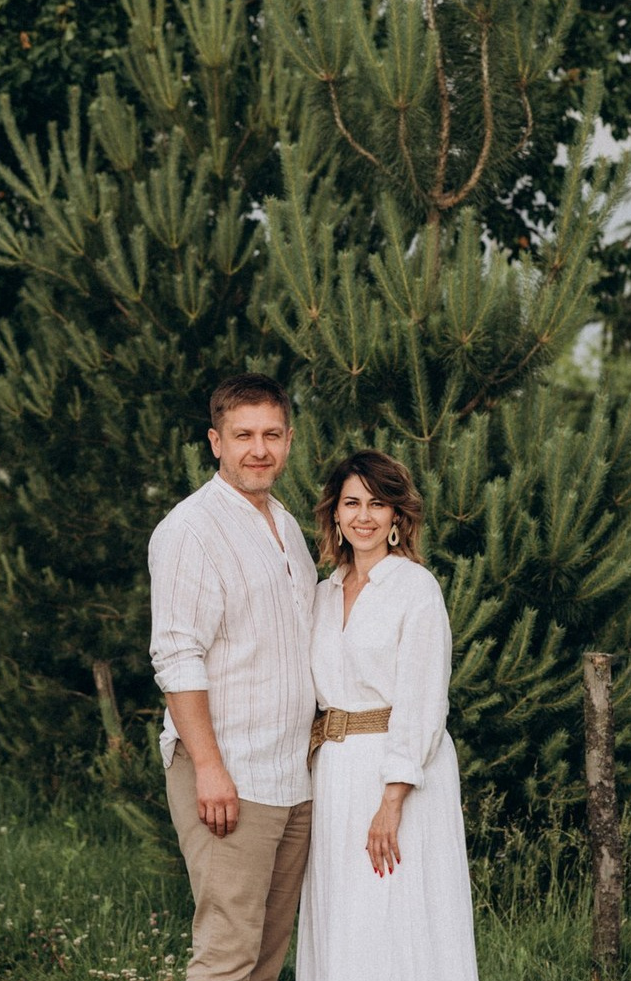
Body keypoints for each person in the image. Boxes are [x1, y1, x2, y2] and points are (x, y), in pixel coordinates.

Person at [148, 373, 317, 981]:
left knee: (267, 960)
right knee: (226, 957)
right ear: (215, 441)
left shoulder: (288, 527)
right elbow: (176, 656)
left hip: (292, 776)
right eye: (244, 435)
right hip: (230, 775)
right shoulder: (191, 530)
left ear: (290, 439)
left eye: (272, 434)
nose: (260, 449)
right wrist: (211, 768)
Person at [296, 450, 477, 981]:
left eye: (378, 504)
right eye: (352, 503)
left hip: (396, 772)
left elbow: (424, 699)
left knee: (390, 910)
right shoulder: (323, 593)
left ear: (398, 516)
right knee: (342, 912)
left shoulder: (415, 588)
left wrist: (392, 799)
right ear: (335, 513)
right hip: (333, 772)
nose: (364, 516)